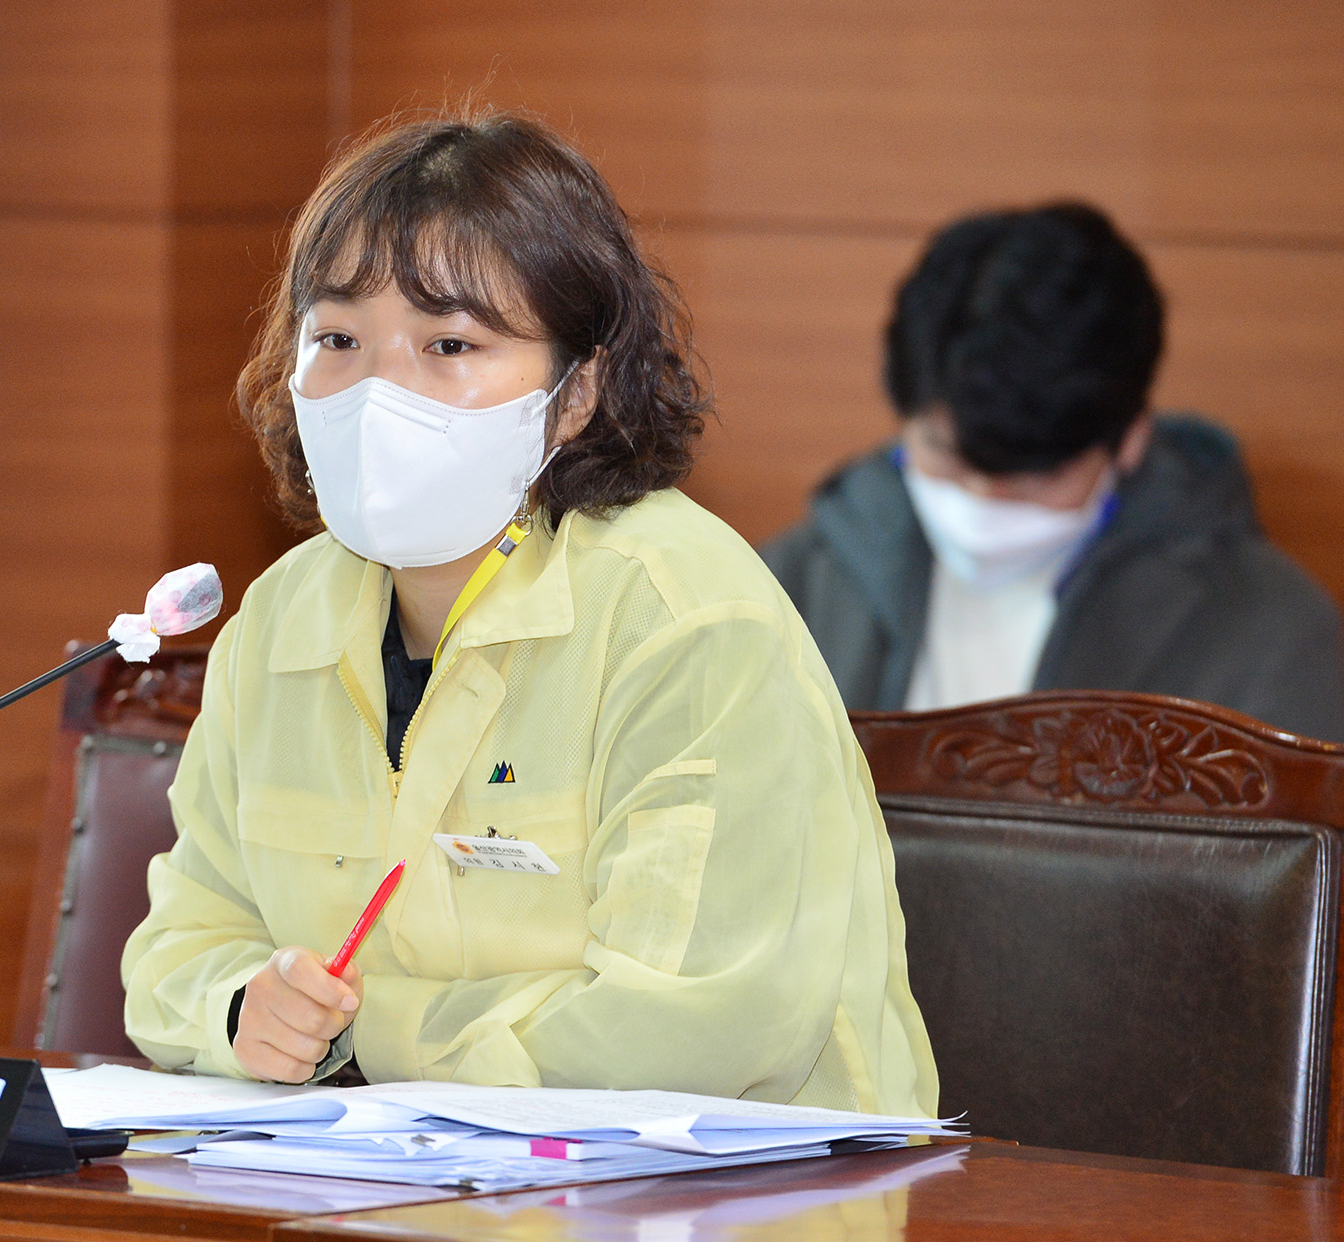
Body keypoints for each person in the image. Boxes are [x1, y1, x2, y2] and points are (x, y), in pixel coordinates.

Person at [121, 112, 937, 1117]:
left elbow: (698, 1024)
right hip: (386, 1195)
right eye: (336, 338)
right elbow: (179, 947)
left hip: (719, 1218)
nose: (378, 390)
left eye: (448, 343)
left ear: (573, 393)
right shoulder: (278, 620)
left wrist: (375, 1035)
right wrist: (240, 1005)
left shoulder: (682, 617)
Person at [761, 202, 1344, 743]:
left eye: (1031, 481)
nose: (982, 500)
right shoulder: (782, 590)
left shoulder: (1270, 630)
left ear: (1130, 439)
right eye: (946, 456)